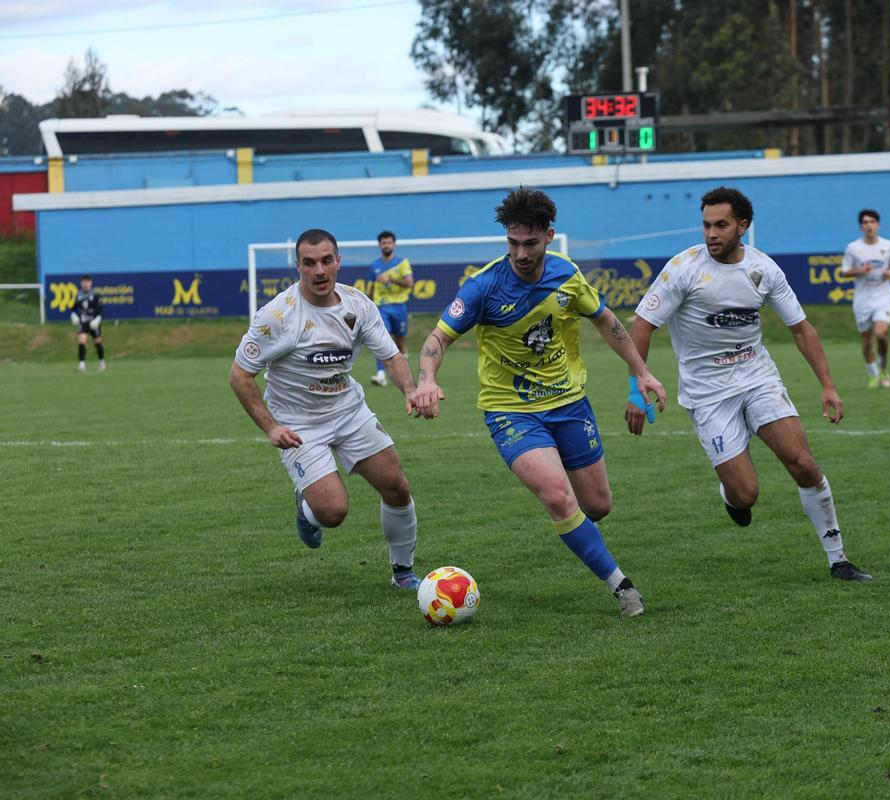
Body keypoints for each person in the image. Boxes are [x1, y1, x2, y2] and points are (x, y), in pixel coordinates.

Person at [411, 187, 667, 618]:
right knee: (557, 496)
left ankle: (582, 534)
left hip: (569, 404)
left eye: (530, 243)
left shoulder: (567, 276)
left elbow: (607, 322)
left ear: (549, 236)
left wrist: (641, 372)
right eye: (513, 243)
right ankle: (622, 587)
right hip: (510, 409)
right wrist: (426, 379)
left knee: (598, 505)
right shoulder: (483, 286)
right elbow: (437, 338)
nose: (521, 253)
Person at [626, 186, 872, 582]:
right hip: (707, 393)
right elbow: (641, 326)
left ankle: (838, 559)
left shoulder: (764, 270)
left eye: (721, 225)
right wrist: (636, 389)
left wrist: (828, 385)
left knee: (802, 463)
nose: (711, 233)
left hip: (757, 378)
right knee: (746, 495)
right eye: (706, 225)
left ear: (743, 226)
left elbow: (802, 329)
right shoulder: (683, 268)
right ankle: (731, 494)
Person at [229, 228, 425, 590]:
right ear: (298, 267)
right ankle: (307, 506)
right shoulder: (277, 317)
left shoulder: (358, 304)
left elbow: (392, 356)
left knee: (397, 487)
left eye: (326, 261)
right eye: (309, 263)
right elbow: (240, 376)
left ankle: (403, 574)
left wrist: (410, 390)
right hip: (299, 424)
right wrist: (271, 427)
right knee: (333, 512)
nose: (319, 270)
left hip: (349, 411)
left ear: (338, 262)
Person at [841, 209, 890, 389]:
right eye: (865, 222)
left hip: (883, 295)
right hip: (862, 298)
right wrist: (859, 270)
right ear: (861, 227)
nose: (869, 225)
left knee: (881, 334)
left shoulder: (889, 246)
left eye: (872, 222)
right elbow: (844, 271)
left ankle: (883, 368)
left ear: (878, 225)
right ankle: (873, 373)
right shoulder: (853, 248)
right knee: (867, 341)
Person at [368, 230, 415, 386]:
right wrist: (368, 304)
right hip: (381, 307)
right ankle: (381, 374)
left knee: (400, 342)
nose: (386, 245)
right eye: (383, 242)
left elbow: (409, 283)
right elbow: (370, 288)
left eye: (389, 242)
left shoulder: (403, 263)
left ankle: (404, 369)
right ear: (380, 245)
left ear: (393, 244)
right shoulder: (374, 265)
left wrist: (391, 280)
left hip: (399, 306)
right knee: (382, 338)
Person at [71, 275, 105, 371]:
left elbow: (100, 309)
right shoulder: (78, 294)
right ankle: (82, 364)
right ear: (81, 283)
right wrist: (73, 315)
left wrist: (97, 319)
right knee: (82, 340)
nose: (85, 284)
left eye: (87, 282)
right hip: (83, 322)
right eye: (83, 282)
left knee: (97, 341)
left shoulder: (96, 294)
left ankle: (102, 362)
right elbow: (74, 307)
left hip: (93, 322)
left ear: (91, 283)